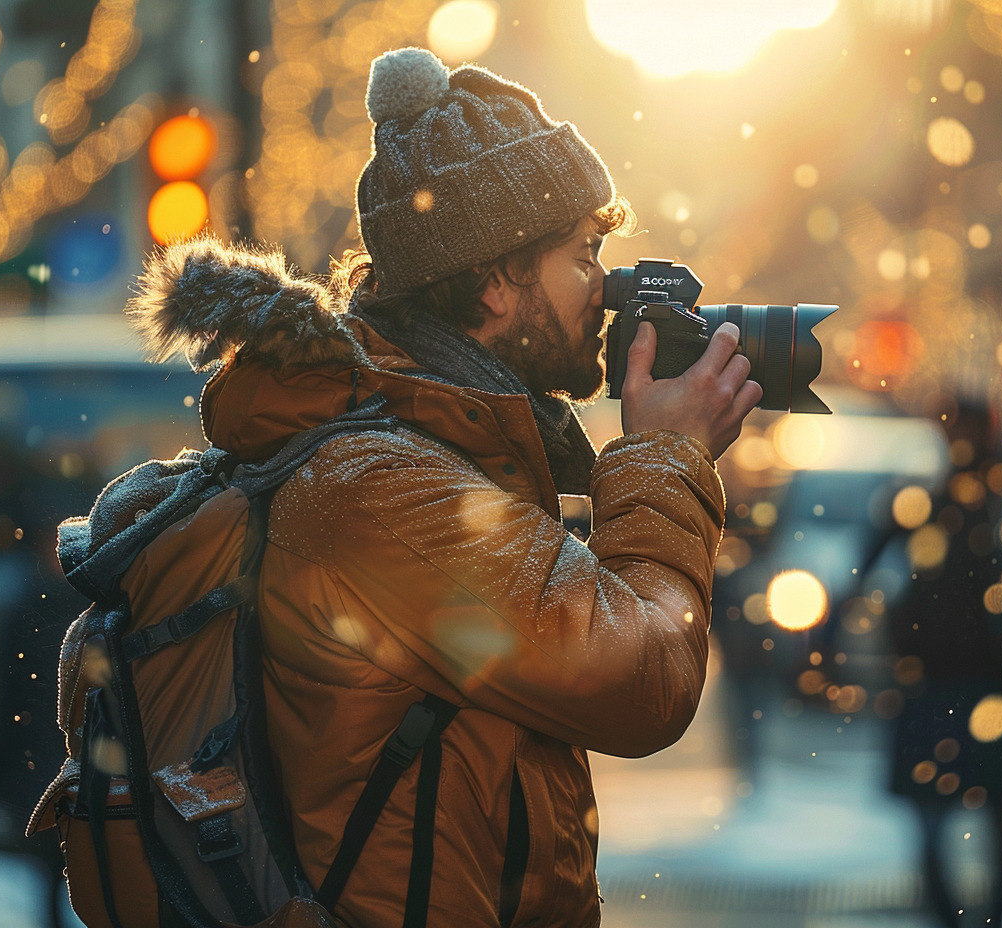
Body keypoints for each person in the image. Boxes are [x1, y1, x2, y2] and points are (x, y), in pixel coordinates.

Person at [123, 46, 761, 926]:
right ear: (495, 282)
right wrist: (668, 457)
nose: (607, 291)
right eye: (584, 255)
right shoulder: (382, 490)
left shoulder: (426, 456)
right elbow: (641, 679)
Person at [883, 402, 1002, 928]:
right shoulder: (989, 498)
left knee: (960, 811)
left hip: (963, 677)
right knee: (973, 813)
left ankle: (975, 918)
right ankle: (977, 918)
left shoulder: (977, 498)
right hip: (964, 677)